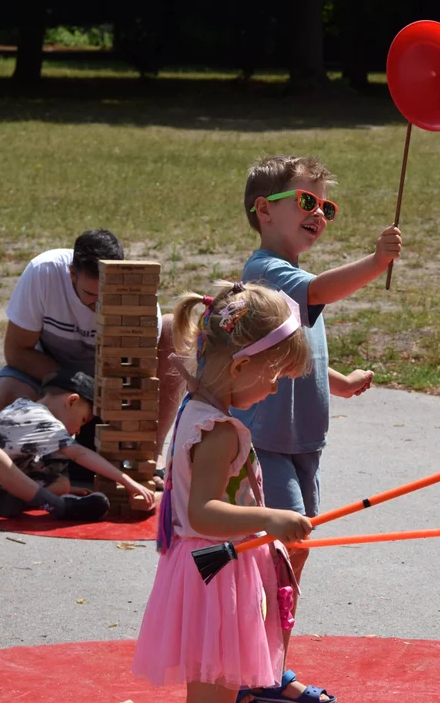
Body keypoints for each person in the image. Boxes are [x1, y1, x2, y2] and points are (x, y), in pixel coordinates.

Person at [230, 154, 401, 702]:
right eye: (306, 201)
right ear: (264, 210)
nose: (319, 214)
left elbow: (293, 347)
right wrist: (376, 262)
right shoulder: (265, 271)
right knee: (275, 556)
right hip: (267, 443)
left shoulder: (296, 279)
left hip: (304, 443)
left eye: (326, 206)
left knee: (293, 555)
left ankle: (269, 663)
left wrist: (340, 380)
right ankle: (252, 670)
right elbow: (321, 291)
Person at [131, 281, 314, 703]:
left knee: (217, 689)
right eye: (274, 377)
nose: (273, 389)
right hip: (216, 574)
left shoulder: (195, 410)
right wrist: (269, 519)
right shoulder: (218, 432)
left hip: (211, 568)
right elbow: (203, 513)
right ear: (239, 368)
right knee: (214, 692)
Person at [0, 228, 183, 482]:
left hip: (108, 384)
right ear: (72, 273)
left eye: (104, 297)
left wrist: (108, 408)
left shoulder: (137, 299)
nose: (96, 305)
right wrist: (68, 384)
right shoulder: (44, 272)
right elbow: (16, 351)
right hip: (54, 376)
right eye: (89, 295)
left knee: (174, 329)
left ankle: (151, 453)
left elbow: (137, 377)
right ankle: (35, 461)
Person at [0, 368, 158, 520]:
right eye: (83, 420)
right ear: (72, 401)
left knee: (63, 484)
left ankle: (3, 500)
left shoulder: (43, 422)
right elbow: (79, 454)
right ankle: (59, 507)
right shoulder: (35, 415)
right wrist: (129, 482)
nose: (79, 430)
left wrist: (68, 487)